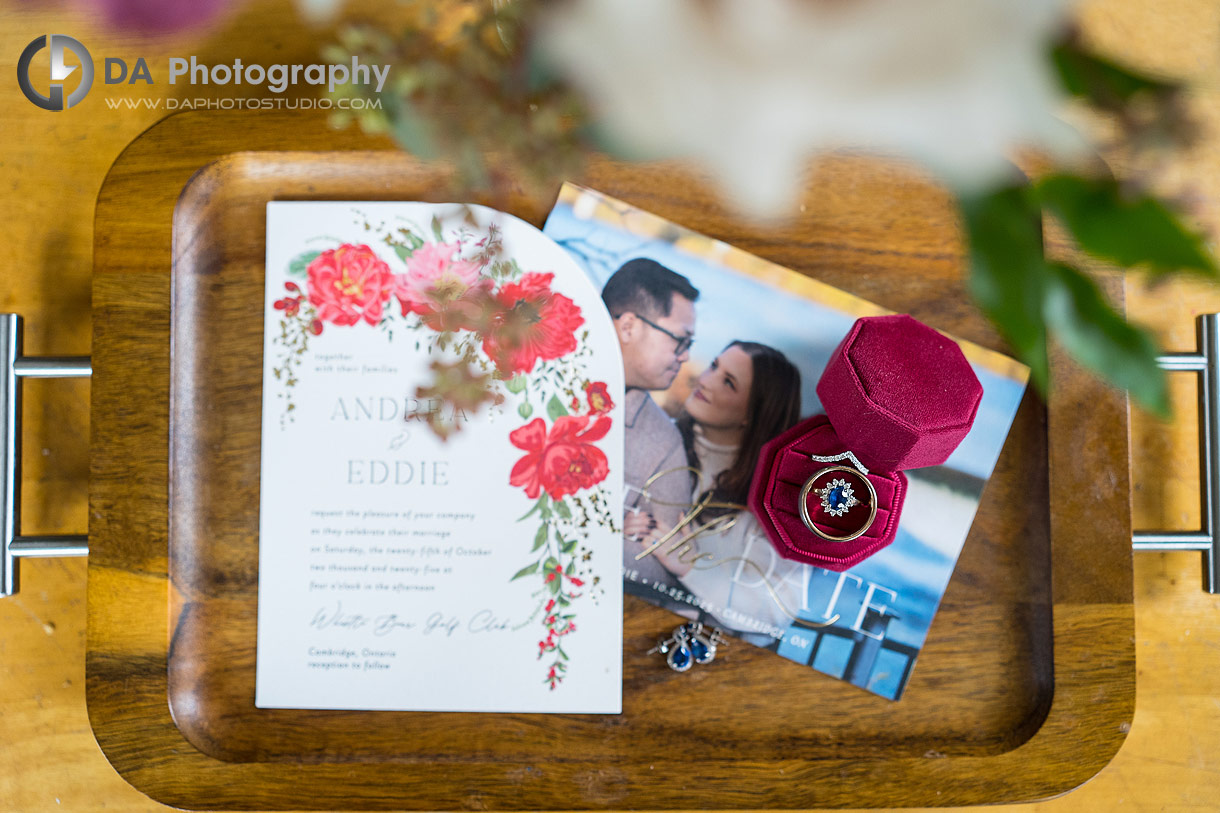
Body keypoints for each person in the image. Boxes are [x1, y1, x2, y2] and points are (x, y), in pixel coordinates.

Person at [625, 341, 804, 646]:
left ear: (754, 413)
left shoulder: (772, 503)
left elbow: (777, 613)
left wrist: (691, 568)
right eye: (714, 366)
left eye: (728, 382)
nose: (705, 380)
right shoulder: (654, 436)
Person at [602, 258, 699, 614]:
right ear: (628, 326)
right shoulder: (533, 372)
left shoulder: (663, 443)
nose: (686, 356)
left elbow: (661, 573)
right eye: (679, 340)